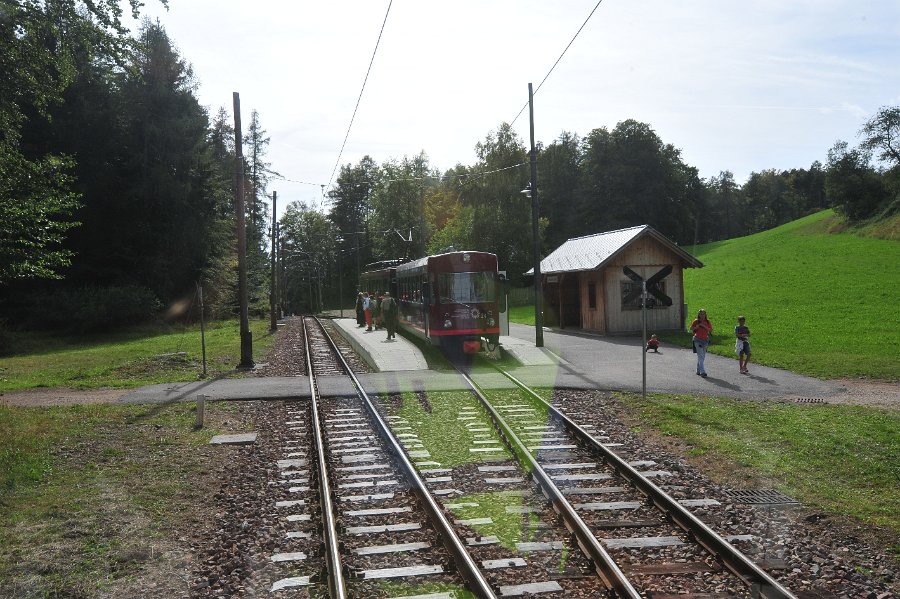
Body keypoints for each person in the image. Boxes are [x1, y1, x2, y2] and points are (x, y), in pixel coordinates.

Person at [689, 308, 713, 377]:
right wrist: (696, 327)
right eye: (701, 314)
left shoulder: (707, 322)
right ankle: (703, 372)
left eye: (703, 314)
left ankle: (698, 370)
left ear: (705, 315)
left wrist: (704, 326)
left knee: (702, 356)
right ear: (698, 315)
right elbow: (691, 329)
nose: (702, 315)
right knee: (700, 356)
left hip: (705, 341)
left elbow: (710, 330)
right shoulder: (696, 321)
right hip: (697, 340)